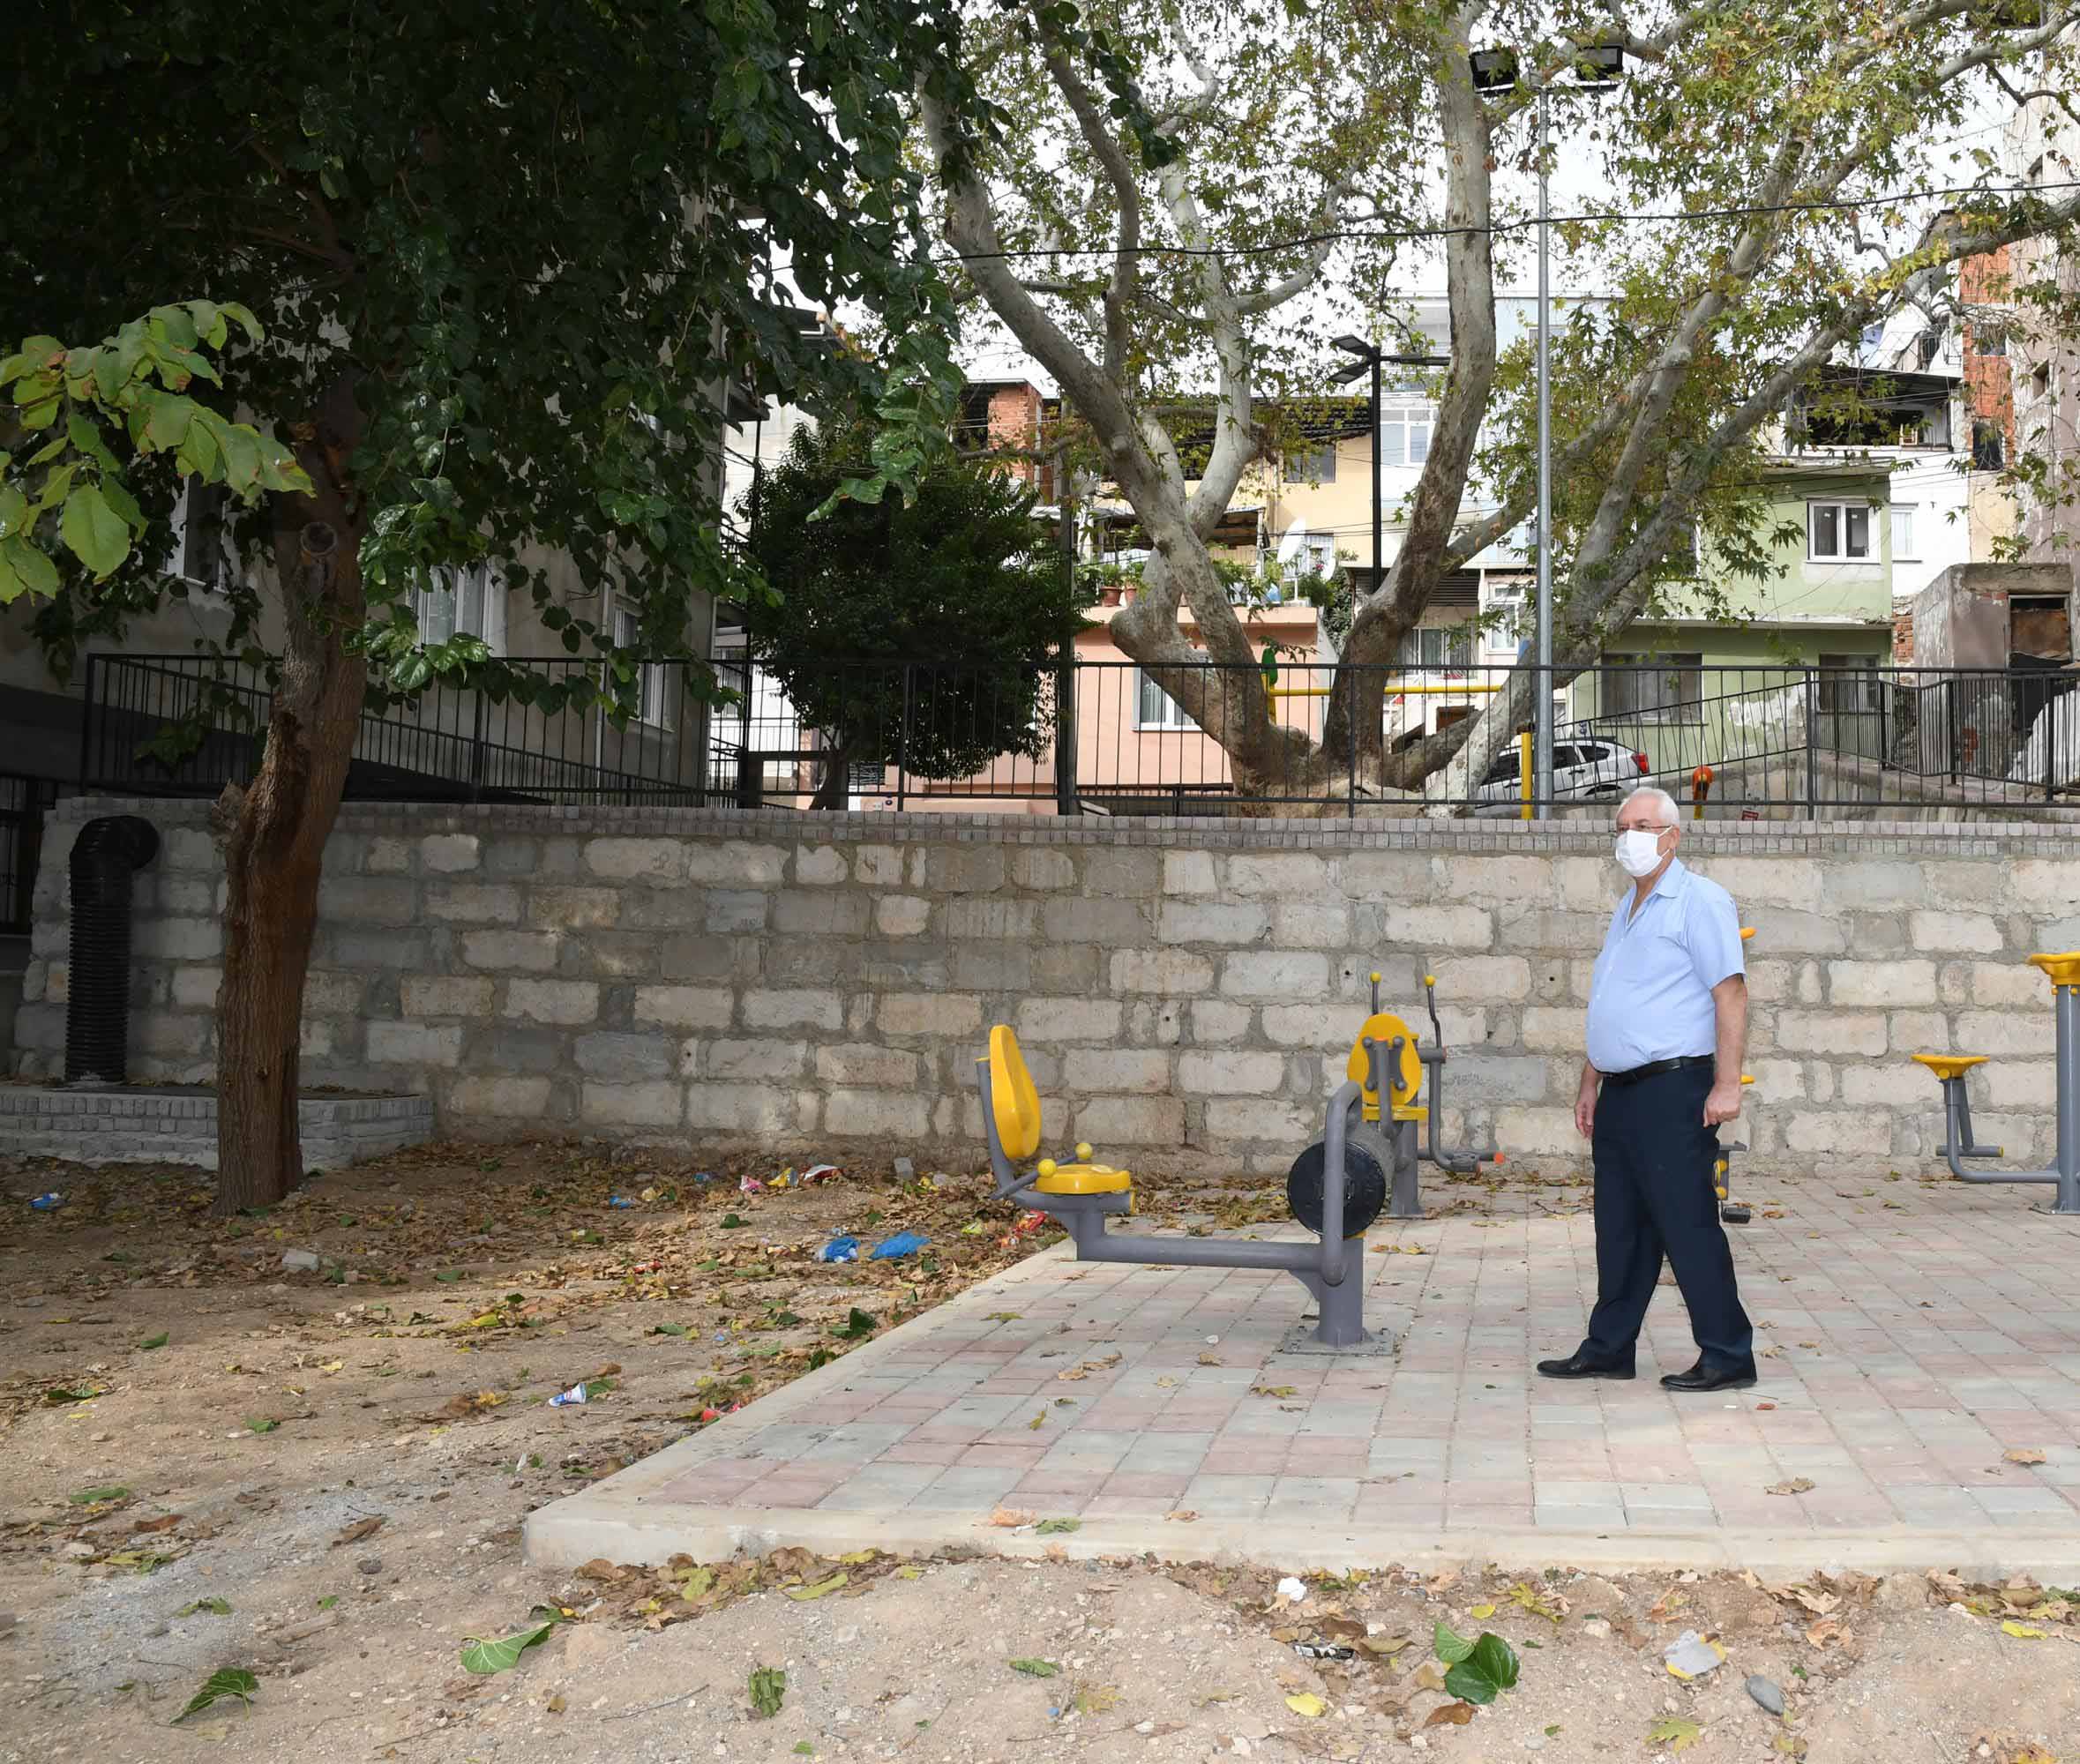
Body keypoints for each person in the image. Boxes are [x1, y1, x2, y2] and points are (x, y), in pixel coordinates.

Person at [1537, 785, 1757, 1393]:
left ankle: (1728, 1353)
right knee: (1620, 1227)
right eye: (1621, 827)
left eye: (1641, 826)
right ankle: (1609, 1348)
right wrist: (1591, 1079)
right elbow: (1615, 1001)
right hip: (1621, 1092)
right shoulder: (1628, 906)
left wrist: (1726, 1085)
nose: (1628, 837)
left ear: (1672, 837)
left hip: (1674, 1088)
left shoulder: (1700, 901)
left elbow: (1731, 993)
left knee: (1686, 1223)